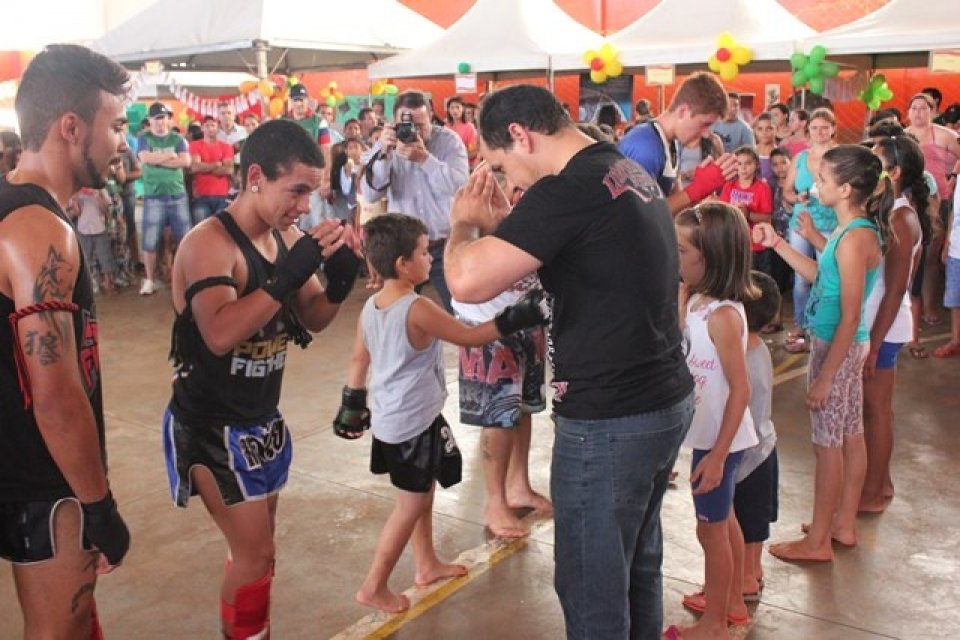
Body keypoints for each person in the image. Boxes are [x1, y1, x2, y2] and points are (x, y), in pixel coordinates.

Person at [444, 84, 694, 640]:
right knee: (635, 571)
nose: (509, 182)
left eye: (502, 165)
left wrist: (463, 222)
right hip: (660, 401)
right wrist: (513, 217)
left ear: (519, 135)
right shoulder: (623, 168)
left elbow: (464, 279)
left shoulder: (567, 189)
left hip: (610, 419)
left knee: (592, 590)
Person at [163, 119, 361, 639]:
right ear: (255, 177)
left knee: (258, 554)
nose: (304, 206)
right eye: (296, 191)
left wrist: (338, 284)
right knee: (255, 556)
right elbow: (219, 334)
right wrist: (286, 276)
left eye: (312, 194)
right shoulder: (208, 245)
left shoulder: (287, 236)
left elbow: (312, 317)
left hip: (260, 421)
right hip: (211, 427)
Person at [338, 213, 547, 613]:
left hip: (393, 417)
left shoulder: (371, 307)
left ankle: (426, 562)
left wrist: (351, 405)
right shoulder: (417, 307)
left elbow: (358, 357)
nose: (430, 258)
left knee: (421, 492)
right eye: (421, 252)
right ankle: (374, 584)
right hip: (411, 423)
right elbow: (468, 336)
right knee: (410, 504)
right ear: (402, 264)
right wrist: (514, 317)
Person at [0, 43, 131, 638]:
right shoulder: (39, 229)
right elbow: (54, 392)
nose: (122, 142)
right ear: (71, 127)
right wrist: (98, 504)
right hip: (43, 484)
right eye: (117, 125)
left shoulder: (20, 211)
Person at [754, 144, 889, 562]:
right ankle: (842, 522)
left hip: (838, 343)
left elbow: (850, 315)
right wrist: (779, 242)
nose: (816, 186)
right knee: (850, 435)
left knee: (827, 444)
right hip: (844, 343)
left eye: (825, 180)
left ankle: (817, 544)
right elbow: (819, 277)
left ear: (846, 188)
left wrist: (827, 374)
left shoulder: (854, 238)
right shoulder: (853, 232)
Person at [664, 203, 759, 640]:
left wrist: (719, 453)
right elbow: (689, 349)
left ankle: (715, 623)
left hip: (720, 438)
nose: (675, 257)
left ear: (712, 257)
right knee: (724, 521)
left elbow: (741, 389)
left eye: (682, 251)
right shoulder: (701, 301)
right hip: (710, 433)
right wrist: (683, 307)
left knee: (711, 530)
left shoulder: (723, 315)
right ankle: (732, 598)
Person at [452, 173, 551, 538]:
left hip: (526, 321)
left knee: (523, 410)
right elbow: (462, 265)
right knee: (498, 419)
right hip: (488, 328)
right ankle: (494, 503)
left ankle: (518, 485)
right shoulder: (475, 207)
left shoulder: (535, 199)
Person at [858, 135, 926, 512]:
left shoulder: (901, 216)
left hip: (883, 326)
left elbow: (896, 289)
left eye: (876, 162)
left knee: (877, 410)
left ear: (895, 172)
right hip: (876, 323)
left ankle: (874, 492)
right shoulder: (890, 210)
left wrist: (874, 342)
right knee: (874, 409)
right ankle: (878, 484)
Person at [362, 90, 469, 312]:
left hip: (445, 244)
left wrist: (425, 160)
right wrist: (383, 153)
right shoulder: (385, 143)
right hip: (404, 249)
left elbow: (460, 187)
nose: (414, 131)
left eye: (421, 125)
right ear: (394, 122)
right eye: (407, 124)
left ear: (432, 117)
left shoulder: (449, 142)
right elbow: (371, 194)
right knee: (398, 314)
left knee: (462, 311)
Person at [619, 72, 737, 215]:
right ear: (682, 111)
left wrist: (699, 193)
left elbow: (674, 206)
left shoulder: (672, 142)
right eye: (704, 124)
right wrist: (697, 189)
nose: (707, 133)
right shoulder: (645, 146)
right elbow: (642, 214)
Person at [782, 108, 839, 352]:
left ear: (833, 129)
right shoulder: (800, 158)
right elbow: (786, 192)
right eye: (815, 127)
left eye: (824, 127)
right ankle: (800, 325)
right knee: (801, 278)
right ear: (808, 131)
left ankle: (824, 326)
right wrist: (798, 197)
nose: (819, 132)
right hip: (801, 222)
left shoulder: (839, 157)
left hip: (830, 224)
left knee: (826, 276)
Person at [906, 92, 960, 327]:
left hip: (939, 203)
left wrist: (954, 175)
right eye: (915, 108)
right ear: (908, 112)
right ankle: (908, 305)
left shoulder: (946, 135)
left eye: (924, 108)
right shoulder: (903, 137)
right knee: (909, 257)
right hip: (909, 203)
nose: (919, 113)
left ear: (933, 112)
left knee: (930, 259)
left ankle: (927, 305)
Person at [137, 101, 192, 295]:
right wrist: (170, 156)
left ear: (168, 120)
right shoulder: (144, 138)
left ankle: (189, 278)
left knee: (185, 239)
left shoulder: (178, 138)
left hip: (177, 195)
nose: (160, 122)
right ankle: (150, 280)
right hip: (153, 196)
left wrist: (157, 158)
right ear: (150, 121)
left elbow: (186, 161)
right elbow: (145, 158)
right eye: (156, 119)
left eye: (163, 118)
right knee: (150, 240)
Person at [719, 146, 773, 274]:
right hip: (734, 242)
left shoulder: (763, 188)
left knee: (758, 280)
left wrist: (748, 214)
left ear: (756, 165)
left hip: (757, 245)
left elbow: (766, 216)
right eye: (739, 163)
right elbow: (722, 211)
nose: (743, 168)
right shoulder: (729, 186)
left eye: (748, 163)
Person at [189, 115, 235, 223]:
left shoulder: (226, 147)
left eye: (213, 125)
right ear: (202, 128)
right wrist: (217, 164)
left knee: (223, 231)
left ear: (218, 127)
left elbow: (229, 170)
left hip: (223, 196)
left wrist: (204, 166)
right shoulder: (194, 145)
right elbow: (195, 167)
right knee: (201, 230)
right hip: (201, 196)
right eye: (207, 126)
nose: (210, 128)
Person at [936, 194, 960, 358]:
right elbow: (954, 212)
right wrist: (947, 242)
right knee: (954, 299)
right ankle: (955, 340)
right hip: (956, 249)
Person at [445, 95, 479, 166]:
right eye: (452, 108)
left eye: (458, 107)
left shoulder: (469, 127)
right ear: (448, 110)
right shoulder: (445, 127)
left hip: (467, 166)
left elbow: (474, 151)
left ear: (463, 109)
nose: (455, 110)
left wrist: (459, 158)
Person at [753, 112, 777, 185]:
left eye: (769, 128)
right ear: (755, 131)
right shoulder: (750, 154)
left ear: (776, 129)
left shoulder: (781, 155)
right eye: (760, 129)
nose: (764, 132)